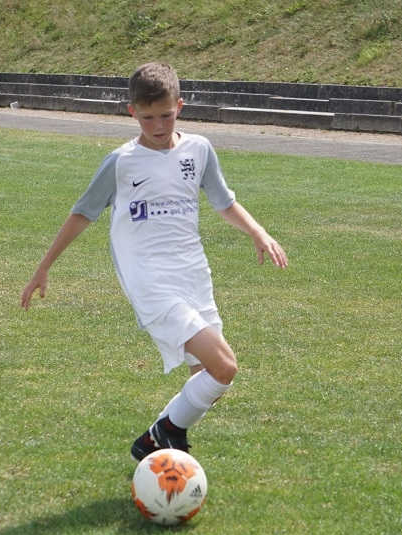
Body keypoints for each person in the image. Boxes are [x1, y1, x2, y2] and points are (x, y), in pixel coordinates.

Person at [20, 62, 289, 462]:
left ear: (180, 106)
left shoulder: (199, 150)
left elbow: (223, 201)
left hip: (194, 274)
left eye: (166, 115)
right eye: (147, 118)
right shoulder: (121, 162)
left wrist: (257, 231)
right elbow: (82, 214)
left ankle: (151, 441)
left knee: (208, 382)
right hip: (150, 280)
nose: (158, 126)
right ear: (132, 112)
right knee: (225, 366)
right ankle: (166, 432)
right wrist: (44, 266)